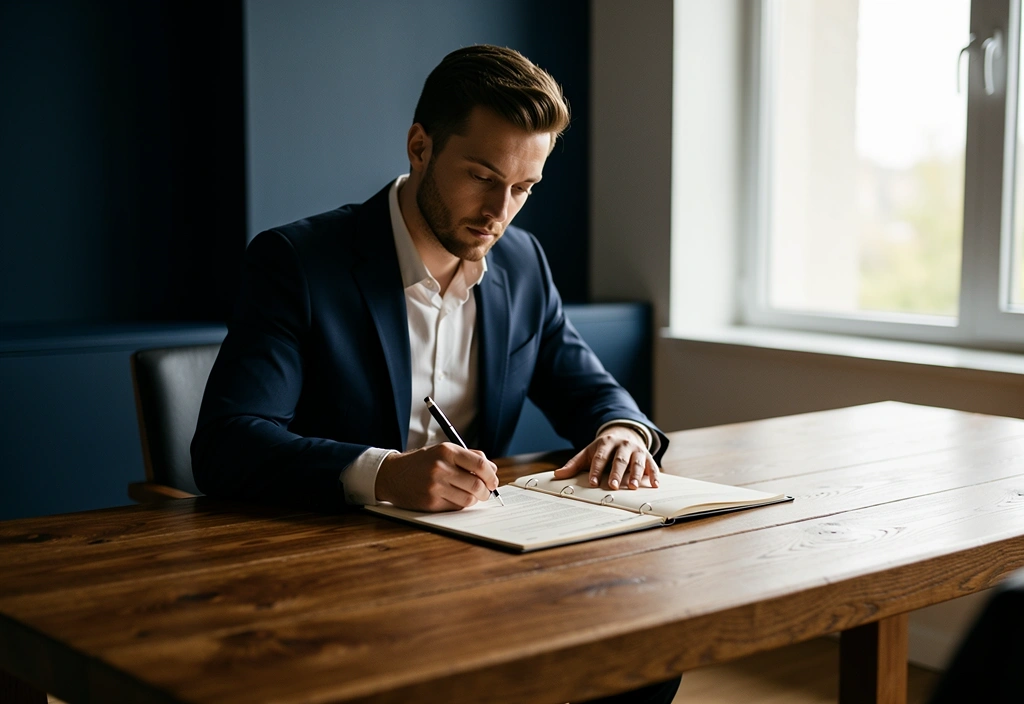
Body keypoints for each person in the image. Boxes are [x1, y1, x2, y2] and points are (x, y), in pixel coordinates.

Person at [191, 45, 679, 704]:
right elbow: (228, 441)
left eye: (524, 188)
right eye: (481, 175)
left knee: (650, 648)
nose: (499, 213)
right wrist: (383, 473)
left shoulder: (523, 263)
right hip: (336, 580)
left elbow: (583, 382)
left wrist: (622, 430)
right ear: (420, 146)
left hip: (479, 568)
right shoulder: (298, 263)